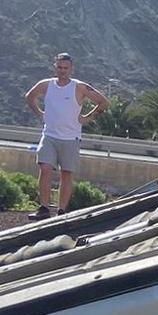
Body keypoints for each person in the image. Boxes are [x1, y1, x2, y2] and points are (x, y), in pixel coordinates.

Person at [25, 53, 108, 218]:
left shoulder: (80, 87)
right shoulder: (46, 85)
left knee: (66, 173)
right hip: (49, 134)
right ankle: (44, 208)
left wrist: (87, 118)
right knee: (45, 168)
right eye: (59, 67)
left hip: (70, 137)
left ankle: (62, 211)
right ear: (55, 67)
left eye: (66, 68)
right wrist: (40, 113)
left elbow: (103, 102)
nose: (62, 71)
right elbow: (30, 97)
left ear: (71, 69)